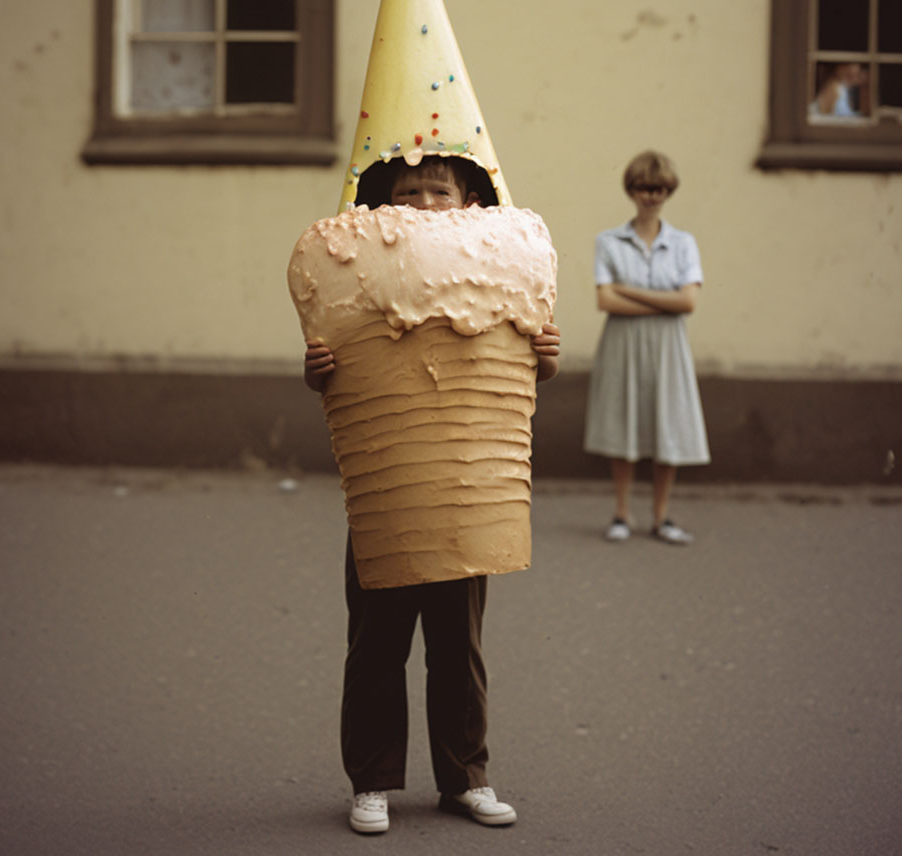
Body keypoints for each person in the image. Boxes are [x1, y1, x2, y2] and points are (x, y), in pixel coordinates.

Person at [303, 156, 561, 834]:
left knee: (459, 646)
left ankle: (465, 776)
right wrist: (319, 369)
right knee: (377, 645)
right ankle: (373, 781)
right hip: (389, 492)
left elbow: (514, 367)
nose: (422, 201)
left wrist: (544, 355)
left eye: (437, 190)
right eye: (407, 191)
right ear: (383, 206)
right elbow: (342, 361)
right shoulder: (359, 275)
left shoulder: (495, 270)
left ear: (468, 200)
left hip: (465, 490)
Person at [583, 150, 709, 544]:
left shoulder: (683, 244)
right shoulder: (609, 241)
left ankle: (661, 516)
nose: (650, 196)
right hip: (623, 343)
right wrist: (660, 299)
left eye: (657, 188)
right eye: (642, 188)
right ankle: (621, 513)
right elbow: (606, 301)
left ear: (667, 191)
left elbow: (688, 302)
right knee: (623, 423)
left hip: (669, 348)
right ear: (631, 190)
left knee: (667, 424)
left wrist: (627, 290)